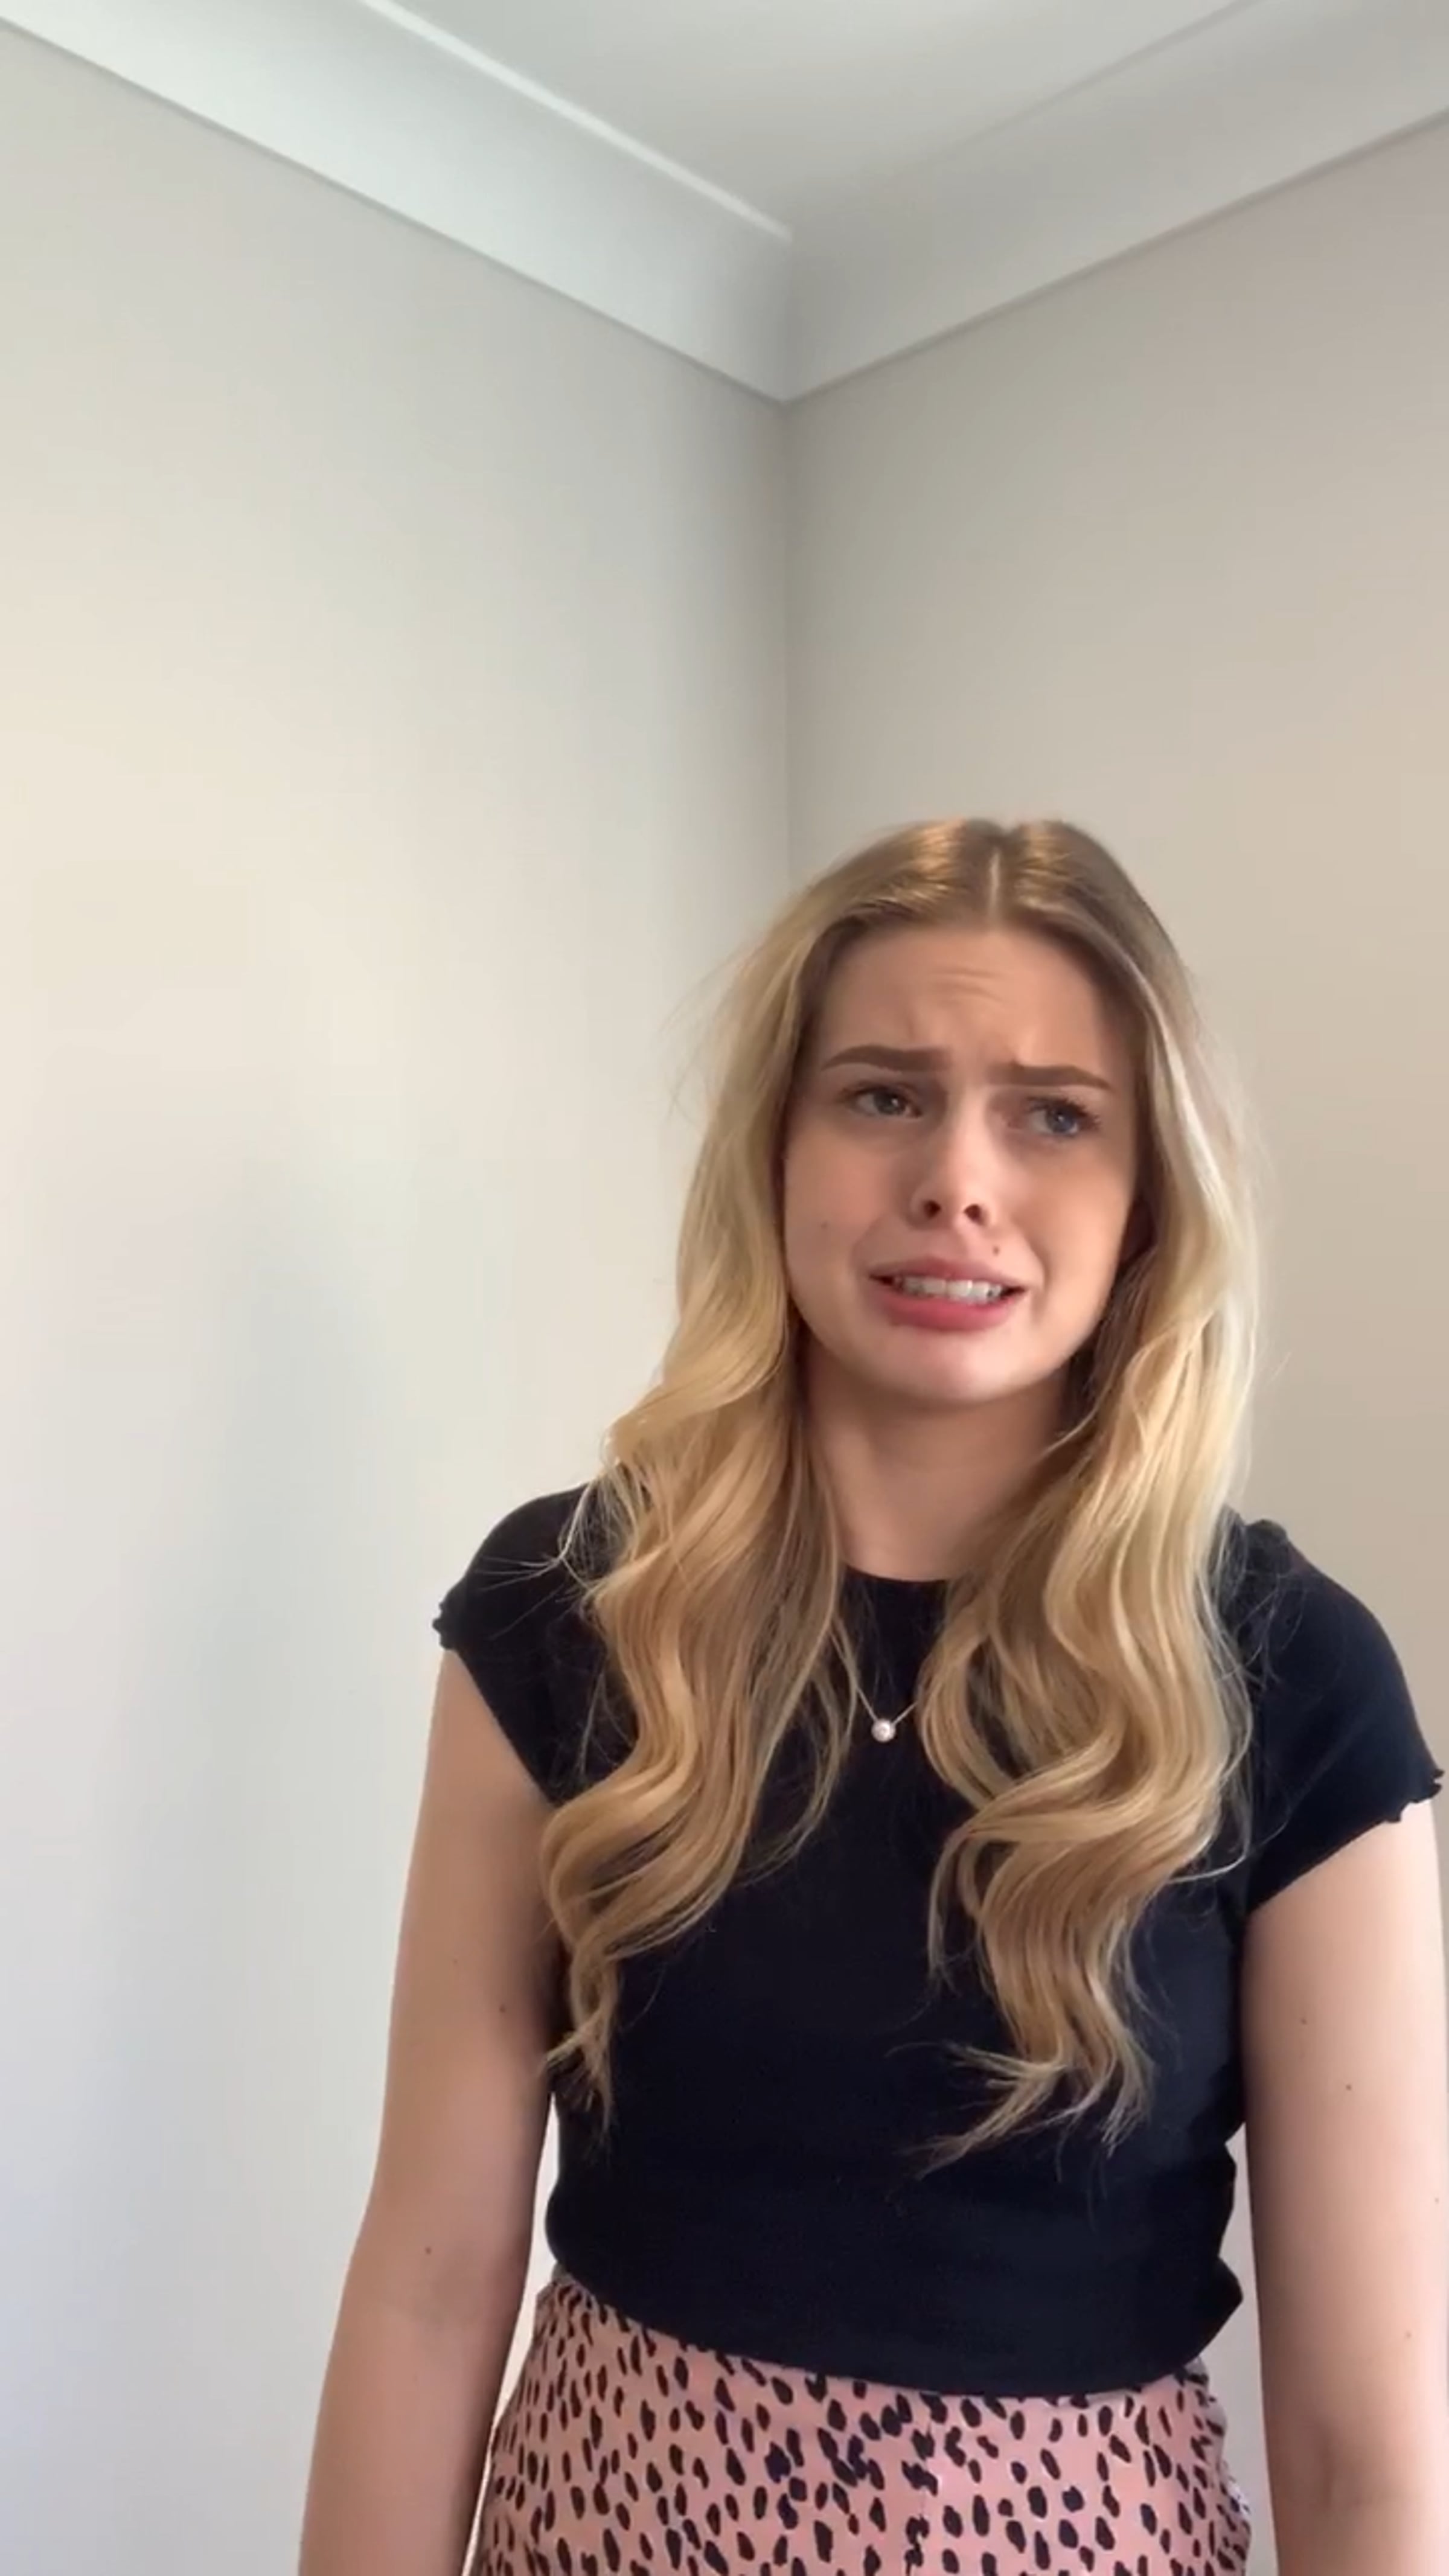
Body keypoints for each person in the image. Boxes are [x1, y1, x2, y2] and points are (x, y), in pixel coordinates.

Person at [301, 819, 1448, 2576]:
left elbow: (1364, 2449)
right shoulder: (568, 1611)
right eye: (884, 1096)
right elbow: (430, 2283)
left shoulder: (1295, 1678)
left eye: (1053, 1115)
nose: (957, 1180)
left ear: (1149, 1195)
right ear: (777, 1148)